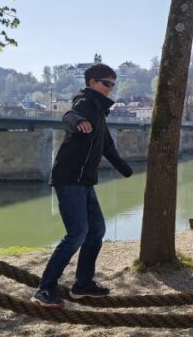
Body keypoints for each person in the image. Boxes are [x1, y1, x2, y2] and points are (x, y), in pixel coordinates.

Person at [32, 64, 134, 308]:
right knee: (77, 233)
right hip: (68, 178)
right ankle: (44, 289)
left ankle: (82, 284)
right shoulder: (86, 103)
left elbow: (108, 147)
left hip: (84, 181)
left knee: (96, 230)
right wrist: (77, 121)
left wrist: (127, 170)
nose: (110, 88)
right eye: (106, 83)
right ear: (92, 82)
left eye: (113, 84)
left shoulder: (99, 112)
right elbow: (69, 116)